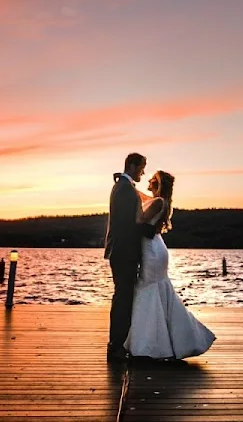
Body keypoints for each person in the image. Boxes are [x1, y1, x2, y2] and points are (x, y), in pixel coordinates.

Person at [124, 170, 215, 360]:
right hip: (155, 247)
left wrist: (133, 207)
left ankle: (150, 344)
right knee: (155, 289)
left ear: (158, 184)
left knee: (149, 289)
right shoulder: (159, 200)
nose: (148, 181)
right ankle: (158, 341)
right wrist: (131, 187)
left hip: (151, 250)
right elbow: (141, 195)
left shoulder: (158, 202)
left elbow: (140, 220)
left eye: (152, 180)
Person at [103, 152, 148, 363]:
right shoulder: (123, 189)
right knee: (123, 298)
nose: (143, 172)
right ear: (131, 165)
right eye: (141, 167)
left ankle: (119, 343)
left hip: (123, 251)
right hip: (124, 252)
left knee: (124, 296)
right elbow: (127, 224)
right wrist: (149, 231)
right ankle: (116, 345)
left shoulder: (123, 187)